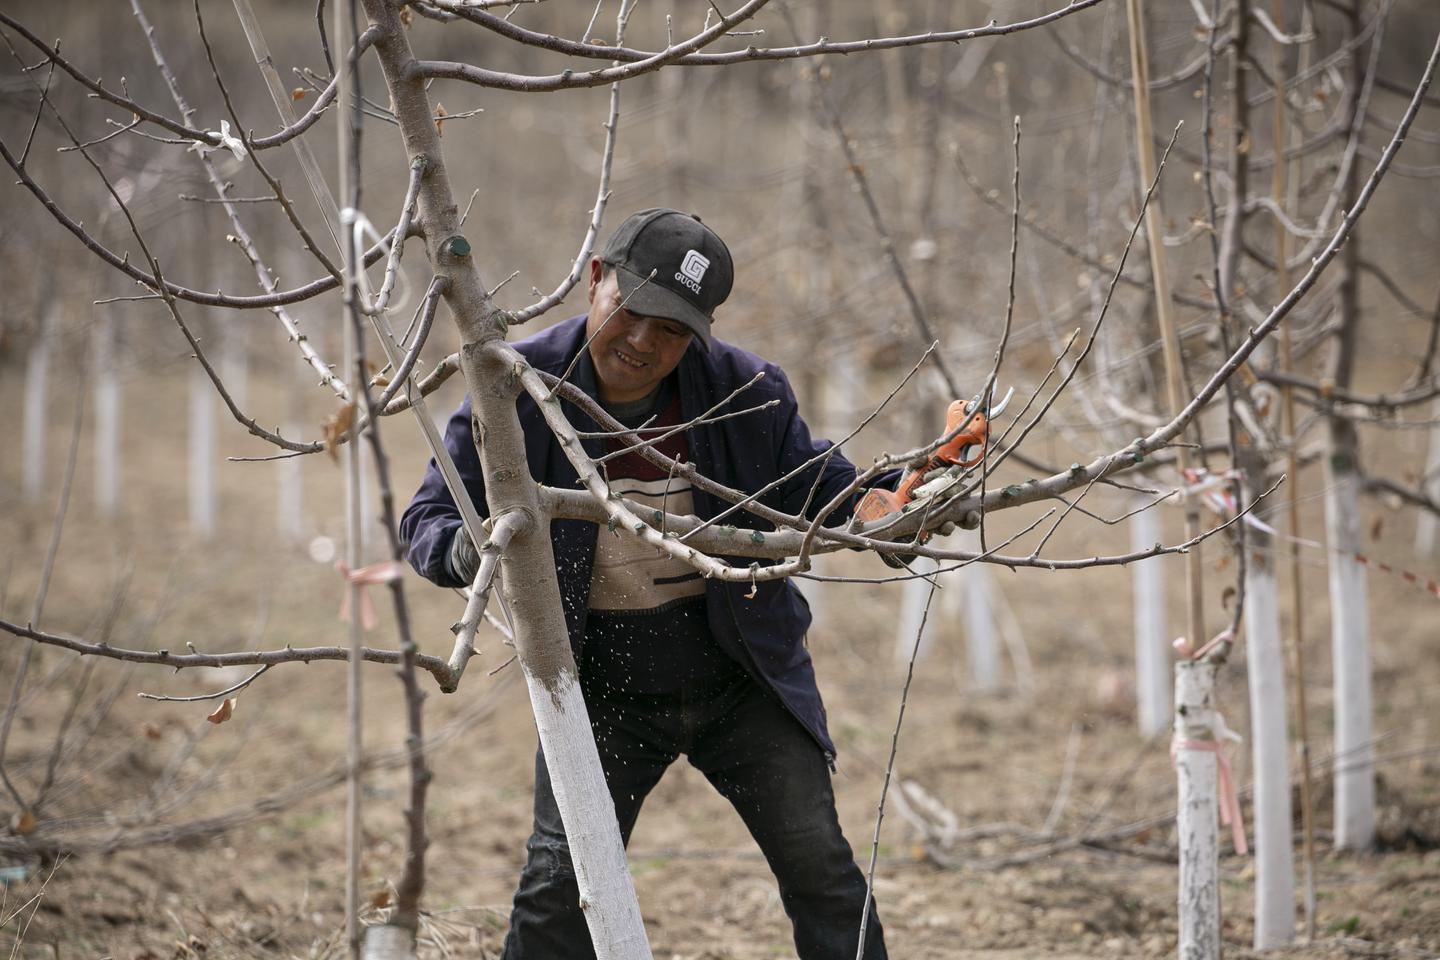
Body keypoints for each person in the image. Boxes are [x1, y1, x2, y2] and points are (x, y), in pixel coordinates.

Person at [400, 209, 889, 959]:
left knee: (822, 870)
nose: (643, 342)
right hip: (598, 688)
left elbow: (820, 487)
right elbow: (429, 516)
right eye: (632, 312)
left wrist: (891, 506)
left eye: (672, 331)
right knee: (557, 890)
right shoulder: (516, 388)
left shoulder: (746, 389)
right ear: (597, 278)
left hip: (742, 676)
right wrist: (463, 551)